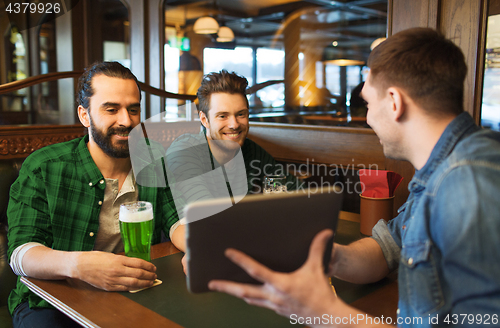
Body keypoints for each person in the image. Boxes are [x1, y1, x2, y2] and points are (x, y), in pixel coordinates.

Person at [208, 28, 500, 327]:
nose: (367, 117)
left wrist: (324, 313)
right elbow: (387, 249)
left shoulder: (468, 184)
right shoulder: (441, 173)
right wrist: (328, 256)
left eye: (368, 104)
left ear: (394, 102)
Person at [7, 62, 184, 328]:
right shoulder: (44, 166)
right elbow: (21, 254)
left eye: (133, 109)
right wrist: (80, 265)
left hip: (133, 291)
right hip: (52, 302)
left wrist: (201, 247)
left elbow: (176, 221)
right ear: (84, 115)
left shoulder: (153, 156)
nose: (126, 120)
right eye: (111, 109)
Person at [166, 70, 299, 237]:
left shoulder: (250, 150)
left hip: (243, 242)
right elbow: (210, 217)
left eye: (241, 114)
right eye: (223, 116)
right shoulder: (185, 151)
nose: (234, 124)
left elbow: (297, 195)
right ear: (204, 119)